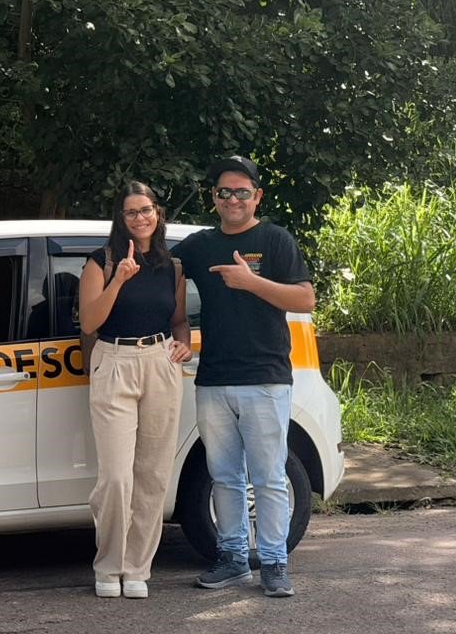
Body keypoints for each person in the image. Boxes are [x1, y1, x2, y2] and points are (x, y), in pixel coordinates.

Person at [174, 155, 315, 598]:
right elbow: (159, 271)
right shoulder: (198, 246)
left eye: (241, 191)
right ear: (213, 197)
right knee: (223, 476)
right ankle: (234, 558)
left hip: (265, 377)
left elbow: (305, 300)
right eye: (224, 191)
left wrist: (251, 281)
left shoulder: (275, 240)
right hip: (212, 379)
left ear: (257, 196)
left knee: (269, 476)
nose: (232, 199)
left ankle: (274, 562)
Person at [79, 180, 193, 599]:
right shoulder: (102, 261)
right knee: (115, 477)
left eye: (146, 210)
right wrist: (119, 280)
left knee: (153, 475)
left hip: (160, 363)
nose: (140, 218)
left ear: (157, 214)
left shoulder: (172, 266)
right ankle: (109, 565)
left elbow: (178, 319)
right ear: (121, 218)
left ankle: (137, 567)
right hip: (114, 361)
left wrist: (185, 343)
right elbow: (89, 322)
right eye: (131, 212)